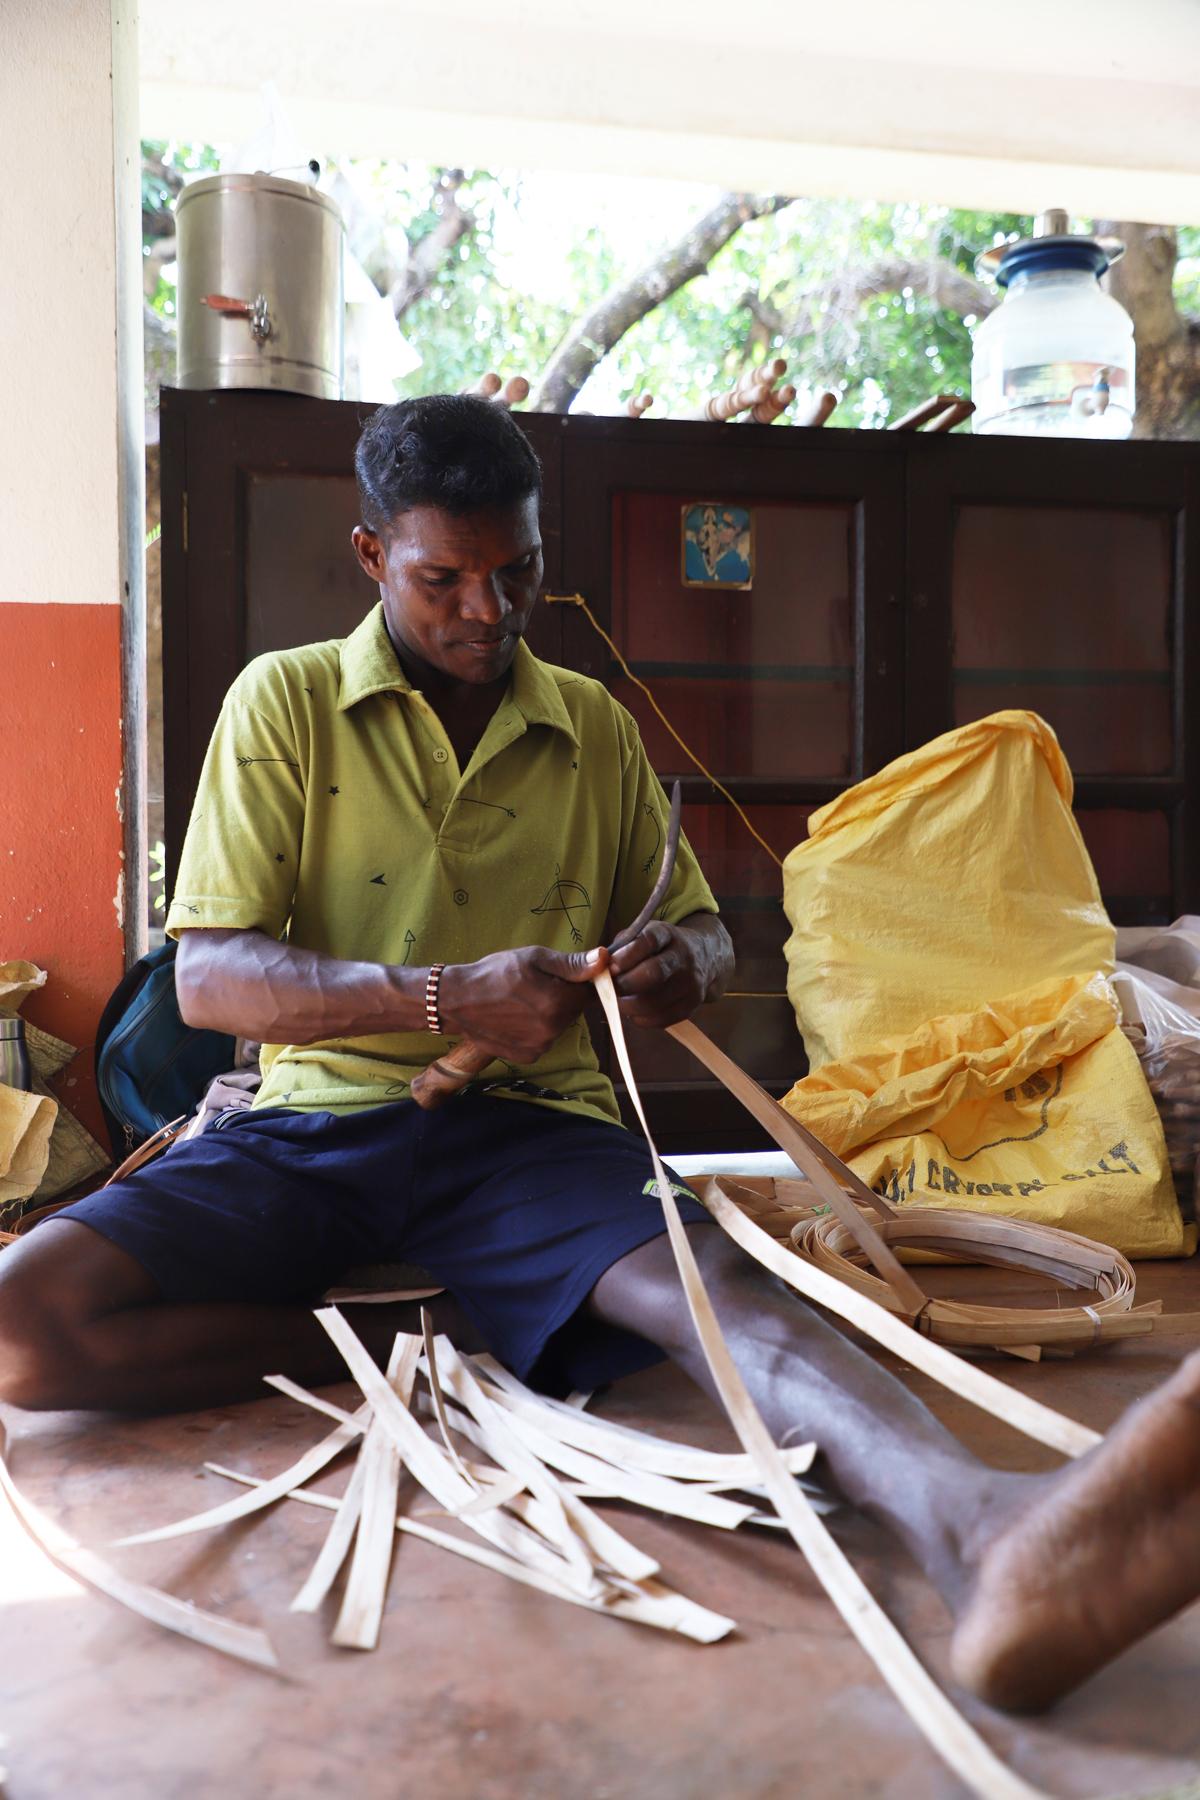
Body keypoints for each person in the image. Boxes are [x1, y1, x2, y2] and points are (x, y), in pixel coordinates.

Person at [3, 394, 1200, 1717]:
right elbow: (217, 975)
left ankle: (994, 1536)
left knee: (726, 1304)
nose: (485, 610)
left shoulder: (593, 726)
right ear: (368, 556)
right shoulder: (284, 704)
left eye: (514, 573)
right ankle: (441, 1322)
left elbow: (695, 925)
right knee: (22, 1332)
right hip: (315, 1123)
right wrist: (450, 994)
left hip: (535, 1129)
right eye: (441, 578)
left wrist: (681, 963)